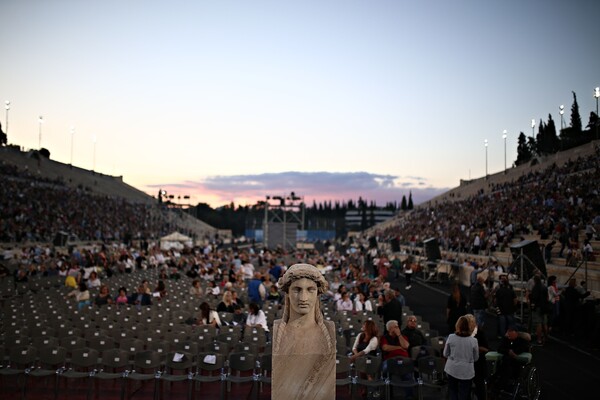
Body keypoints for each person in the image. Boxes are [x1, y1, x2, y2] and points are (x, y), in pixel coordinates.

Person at [272, 263, 336, 400]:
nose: (303, 298)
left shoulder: (329, 330)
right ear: (287, 293)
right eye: (297, 290)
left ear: (318, 293)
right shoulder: (279, 330)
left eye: (310, 290)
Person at [443, 315, 479, 400]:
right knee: (464, 393)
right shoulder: (473, 341)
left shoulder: (451, 337)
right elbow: (476, 358)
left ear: (457, 325)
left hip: (452, 369)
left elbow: (445, 353)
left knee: (453, 391)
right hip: (466, 372)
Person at [465, 314, 489, 400]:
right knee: (466, 387)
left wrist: (478, 348)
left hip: (478, 364)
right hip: (466, 364)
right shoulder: (462, 334)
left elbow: (487, 349)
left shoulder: (480, 333)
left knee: (480, 387)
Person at [528, 274, 549, 344]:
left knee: (538, 323)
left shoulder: (535, 288)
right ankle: (546, 338)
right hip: (544, 307)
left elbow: (534, 298)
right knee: (545, 323)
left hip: (538, 307)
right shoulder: (544, 287)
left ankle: (539, 339)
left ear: (535, 280)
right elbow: (547, 297)